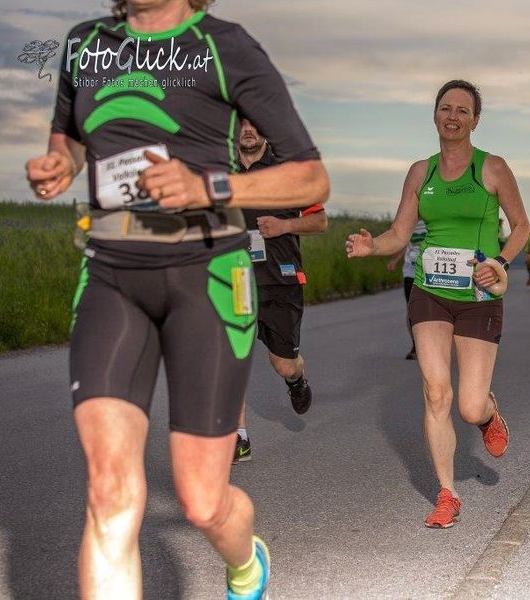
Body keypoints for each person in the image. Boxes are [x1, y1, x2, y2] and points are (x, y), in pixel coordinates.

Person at [25, 1, 329, 597]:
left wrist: (206, 185)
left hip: (206, 273)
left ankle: (246, 561)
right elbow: (71, 142)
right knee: (109, 492)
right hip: (112, 271)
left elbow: (310, 178)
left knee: (202, 500)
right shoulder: (87, 43)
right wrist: (58, 165)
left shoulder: (225, 45)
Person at [346, 80, 528, 528]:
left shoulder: (492, 168)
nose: (453, 117)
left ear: (475, 120)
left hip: (479, 295)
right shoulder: (420, 172)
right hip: (430, 291)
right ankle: (447, 493)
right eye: (446, 108)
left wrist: (500, 263)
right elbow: (399, 233)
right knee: (434, 391)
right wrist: (373, 246)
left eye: (463, 110)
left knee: (468, 406)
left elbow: (521, 226)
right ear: (434, 115)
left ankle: (487, 413)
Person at [233, 119, 329, 464]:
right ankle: (238, 436)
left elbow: (320, 221)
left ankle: (297, 379)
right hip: (234, 279)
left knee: (284, 364)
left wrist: (284, 225)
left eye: (254, 123)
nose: (248, 129)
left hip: (280, 280)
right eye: (241, 123)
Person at [387, 219, 428, 359]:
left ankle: (431, 344)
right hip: (411, 271)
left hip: (430, 273)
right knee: (412, 309)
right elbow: (403, 242)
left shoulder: (434, 217)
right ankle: (416, 346)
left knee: (430, 310)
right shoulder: (410, 218)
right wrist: (395, 260)